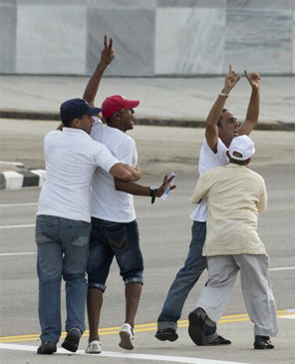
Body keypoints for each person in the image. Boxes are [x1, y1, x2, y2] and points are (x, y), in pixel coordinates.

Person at [80, 35, 176, 354]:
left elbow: (86, 98)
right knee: (133, 273)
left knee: (95, 280)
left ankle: (93, 338)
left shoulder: (94, 130)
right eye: (129, 112)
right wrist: (152, 190)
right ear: (117, 115)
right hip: (121, 221)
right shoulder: (126, 143)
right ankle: (128, 325)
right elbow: (121, 183)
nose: (133, 115)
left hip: (95, 220)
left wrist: (102, 65)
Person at [155, 65, 261, 344]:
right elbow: (209, 123)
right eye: (229, 121)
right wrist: (225, 90)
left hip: (227, 222)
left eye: (235, 121)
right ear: (219, 127)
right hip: (207, 222)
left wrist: (255, 89)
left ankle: (206, 329)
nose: (236, 124)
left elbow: (252, 118)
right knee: (192, 270)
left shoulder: (239, 144)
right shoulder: (214, 146)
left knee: (221, 276)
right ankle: (167, 322)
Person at [35, 98, 141, 355]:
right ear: (76, 120)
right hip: (77, 221)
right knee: (74, 277)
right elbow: (122, 174)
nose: (93, 120)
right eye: (88, 117)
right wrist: (137, 172)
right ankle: (74, 328)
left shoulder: (50, 139)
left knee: (48, 280)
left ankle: (49, 339)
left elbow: (61, 128)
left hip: (46, 218)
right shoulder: (93, 147)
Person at [188, 135, 278, 349]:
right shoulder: (256, 179)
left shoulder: (212, 175)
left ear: (228, 154)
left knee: (218, 281)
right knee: (258, 286)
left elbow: (196, 197)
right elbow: (261, 207)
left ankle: (203, 311)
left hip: (217, 239)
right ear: (249, 160)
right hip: (246, 239)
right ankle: (262, 336)